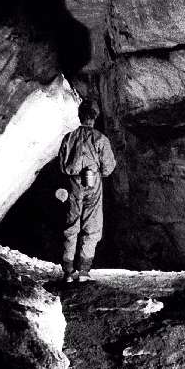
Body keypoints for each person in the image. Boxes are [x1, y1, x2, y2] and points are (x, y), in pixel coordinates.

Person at [58, 99, 116, 283]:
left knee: (71, 226)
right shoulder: (101, 139)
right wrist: (97, 172)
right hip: (94, 183)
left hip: (73, 184)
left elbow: (62, 166)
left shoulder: (69, 138)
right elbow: (108, 167)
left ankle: (68, 272)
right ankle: (83, 271)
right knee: (92, 227)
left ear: (79, 116)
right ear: (95, 117)